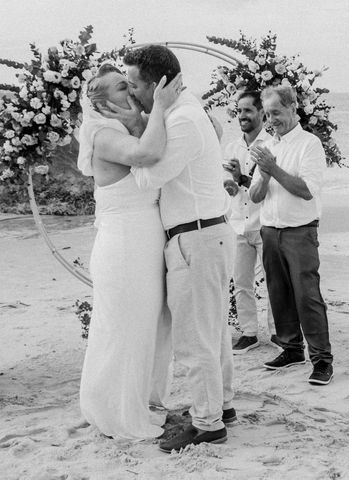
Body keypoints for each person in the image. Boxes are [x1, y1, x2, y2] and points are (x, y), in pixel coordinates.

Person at [108, 45, 236, 452]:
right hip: (205, 233)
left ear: (159, 84)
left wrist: (142, 125)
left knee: (194, 337)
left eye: (134, 86)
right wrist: (145, 118)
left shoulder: (180, 120)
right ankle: (221, 405)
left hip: (194, 237)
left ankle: (207, 423)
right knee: (212, 332)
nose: (131, 94)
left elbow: (149, 179)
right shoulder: (185, 112)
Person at [77, 63, 182, 439]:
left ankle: (137, 401)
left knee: (147, 326)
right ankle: (115, 413)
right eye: (122, 88)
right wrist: (158, 108)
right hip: (124, 244)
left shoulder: (124, 127)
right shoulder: (103, 134)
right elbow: (147, 154)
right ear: (102, 104)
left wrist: (145, 116)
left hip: (144, 240)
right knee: (124, 328)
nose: (131, 91)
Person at [249, 85, 334, 385]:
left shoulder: (309, 144)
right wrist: (264, 173)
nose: (271, 120)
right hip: (270, 229)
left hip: (299, 230)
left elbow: (307, 190)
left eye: (276, 112)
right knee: (278, 293)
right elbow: (256, 195)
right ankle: (291, 348)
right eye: (268, 114)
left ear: (293, 108)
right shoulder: (268, 146)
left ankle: (322, 359)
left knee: (307, 296)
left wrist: (273, 168)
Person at [223, 90, 277, 354]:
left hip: (263, 221)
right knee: (240, 282)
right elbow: (226, 184)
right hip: (238, 223)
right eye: (239, 110)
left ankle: (278, 331)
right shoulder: (231, 147)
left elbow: (269, 186)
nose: (242, 115)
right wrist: (230, 186)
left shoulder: (270, 145)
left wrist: (241, 178)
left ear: (261, 114)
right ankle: (249, 333)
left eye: (248, 110)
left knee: (273, 281)